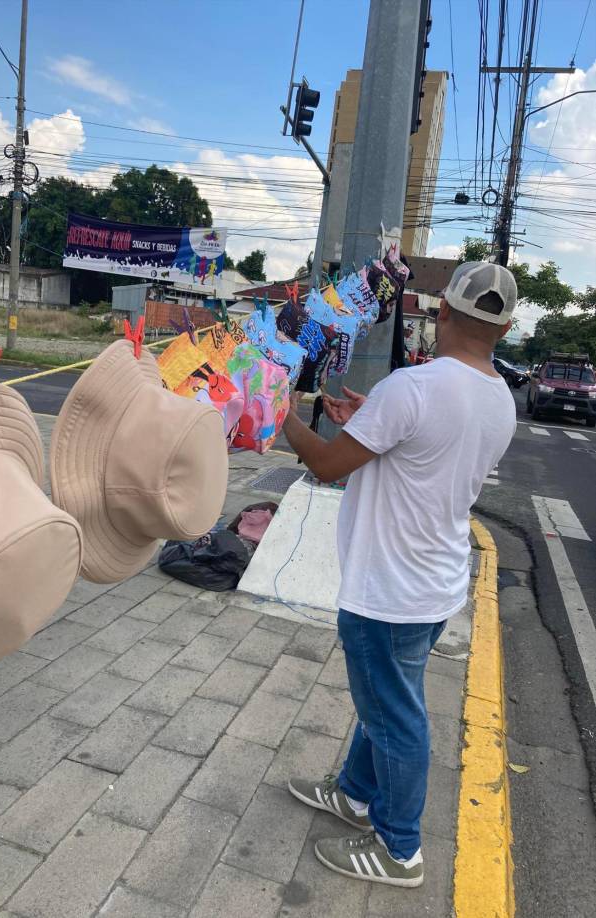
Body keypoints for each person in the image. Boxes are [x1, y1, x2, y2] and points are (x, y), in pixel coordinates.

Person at [282, 261, 518, 888]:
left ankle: (400, 848)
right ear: (505, 329)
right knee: (388, 701)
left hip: (388, 588)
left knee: (394, 717)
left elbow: (328, 465)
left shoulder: (411, 388)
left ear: (442, 312)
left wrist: (282, 418)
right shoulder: (500, 399)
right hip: (435, 582)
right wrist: (369, 417)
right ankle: (355, 795)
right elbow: (425, 450)